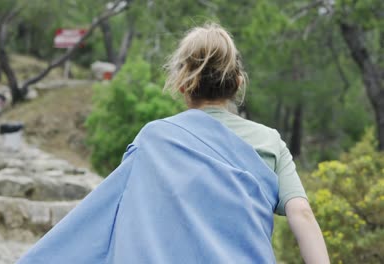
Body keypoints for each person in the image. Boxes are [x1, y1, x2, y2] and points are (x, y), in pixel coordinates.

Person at [17, 23, 329, 264]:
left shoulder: (154, 139)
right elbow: (301, 214)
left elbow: (104, 215)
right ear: (237, 83)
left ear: (182, 84)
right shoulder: (269, 141)